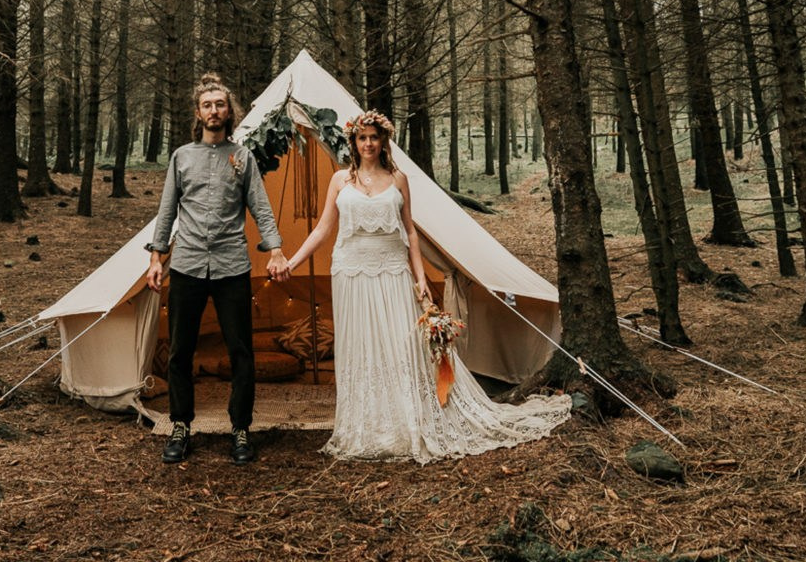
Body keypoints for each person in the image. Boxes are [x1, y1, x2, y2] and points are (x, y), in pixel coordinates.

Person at [284, 109, 570, 463]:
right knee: (361, 344)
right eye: (362, 138)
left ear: (383, 141)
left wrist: (420, 277)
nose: (368, 143)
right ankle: (367, 425)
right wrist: (291, 262)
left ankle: (405, 419)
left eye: (374, 137)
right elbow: (322, 229)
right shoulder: (340, 180)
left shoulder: (399, 178)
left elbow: (411, 232)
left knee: (400, 342)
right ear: (353, 142)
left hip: (392, 269)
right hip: (350, 272)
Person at [145, 73, 290, 465]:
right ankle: (181, 426)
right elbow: (166, 212)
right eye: (207, 105)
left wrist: (275, 250)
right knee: (180, 351)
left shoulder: (242, 158)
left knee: (241, 351)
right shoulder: (181, 157)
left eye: (220, 105)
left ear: (230, 112)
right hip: (188, 265)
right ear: (198, 112)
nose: (214, 111)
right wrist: (156, 258)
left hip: (232, 268)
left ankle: (240, 430)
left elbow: (260, 206)